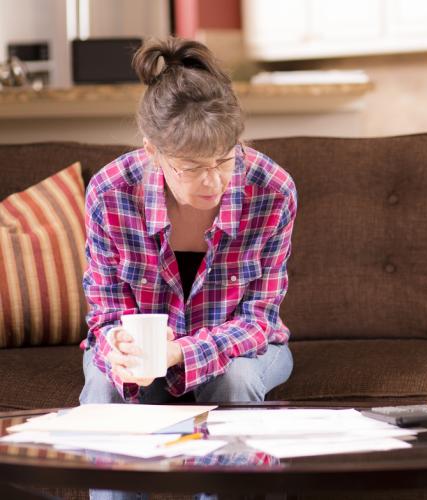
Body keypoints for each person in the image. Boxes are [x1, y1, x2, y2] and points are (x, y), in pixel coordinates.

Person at [78, 36, 295, 493]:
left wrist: (179, 353)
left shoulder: (272, 189)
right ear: (152, 153)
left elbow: (258, 320)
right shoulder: (110, 192)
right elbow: (104, 316)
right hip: (144, 360)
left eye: (224, 159)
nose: (213, 181)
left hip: (242, 350)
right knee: (104, 390)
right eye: (192, 167)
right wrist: (117, 346)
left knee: (233, 381)